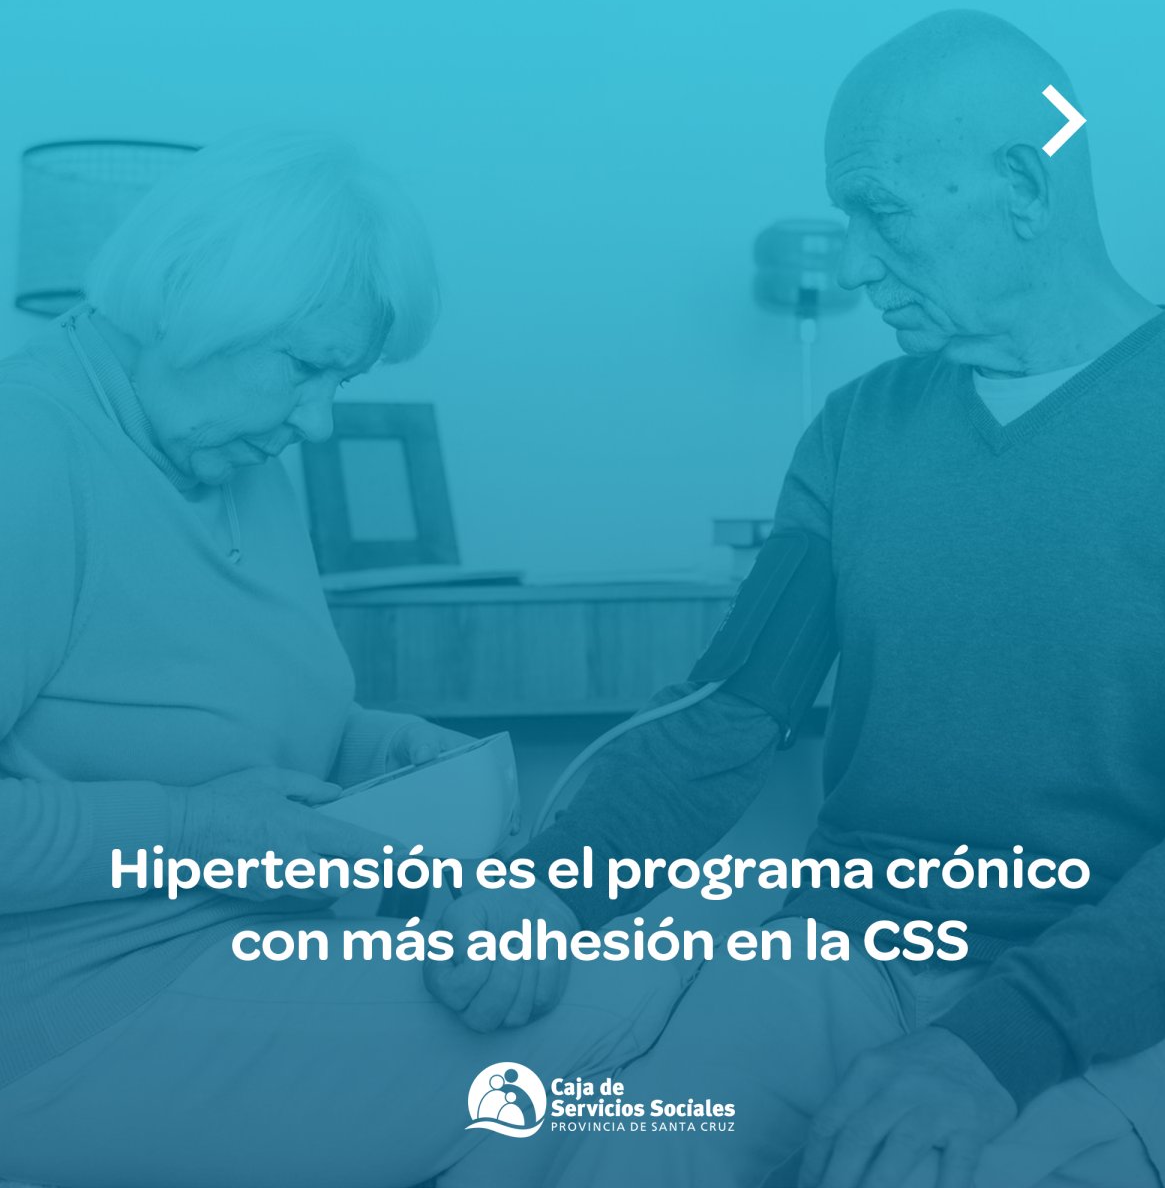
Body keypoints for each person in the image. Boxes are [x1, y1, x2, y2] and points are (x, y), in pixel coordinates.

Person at [428, 10, 1165, 1188]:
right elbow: (733, 716)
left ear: (1026, 186)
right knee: (612, 1159)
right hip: (849, 948)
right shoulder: (857, 430)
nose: (856, 263)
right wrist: (548, 884)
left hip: (1110, 988)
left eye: (882, 213)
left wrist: (995, 1046)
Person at [0, 130, 690, 1188]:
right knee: (618, 1026)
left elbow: (228, 713)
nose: (319, 423)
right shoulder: (30, 449)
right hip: (67, 1008)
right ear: (187, 302)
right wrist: (195, 833)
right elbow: (204, 796)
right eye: (305, 367)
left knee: (637, 980)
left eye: (345, 378)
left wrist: (382, 754)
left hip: (224, 953)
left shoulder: (238, 460)